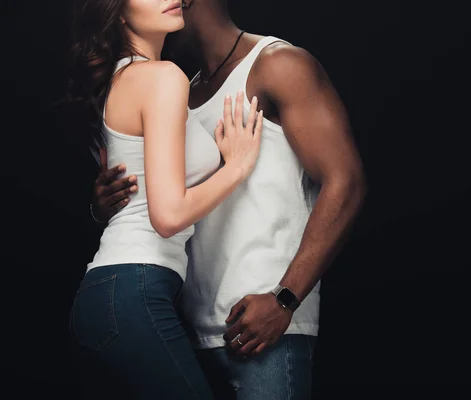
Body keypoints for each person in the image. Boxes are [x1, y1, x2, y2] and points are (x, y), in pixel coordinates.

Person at [92, 0, 368, 398]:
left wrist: (284, 299)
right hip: (190, 332)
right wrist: (104, 204)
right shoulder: (175, 89)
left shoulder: (277, 63)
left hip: (266, 329)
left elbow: (347, 182)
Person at [64, 0, 264, 398]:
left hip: (116, 292)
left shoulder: (123, 80)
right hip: (133, 289)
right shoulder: (161, 78)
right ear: (116, 11)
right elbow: (168, 215)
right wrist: (236, 166)